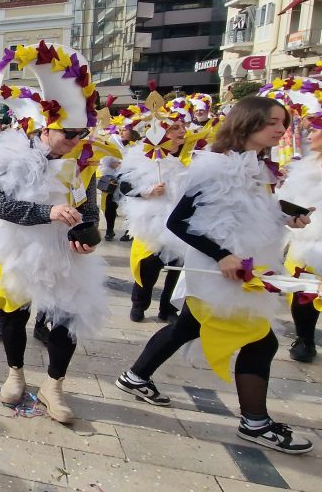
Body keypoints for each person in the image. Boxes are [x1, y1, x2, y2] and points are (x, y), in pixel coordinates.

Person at [116, 96, 314, 455]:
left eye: (282, 122)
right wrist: (222, 255)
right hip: (219, 274)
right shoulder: (215, 168)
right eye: (272, 122)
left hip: (242, 268)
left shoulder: (257, 166)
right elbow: (178, 222)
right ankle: (255, 423)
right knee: (261, 342)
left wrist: (286, 215)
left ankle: (135, 377)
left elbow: (249, 211)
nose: (281, 129)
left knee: (187, 326)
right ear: (247, 123)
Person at [0, 42, 106, 424]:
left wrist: (87, 234)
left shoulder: (84, 163)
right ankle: (15, 374)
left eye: (82, 132)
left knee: (66, 320)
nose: (76, 140)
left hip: (64, 254)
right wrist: (46, 212)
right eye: (68, 133)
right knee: (15, 316)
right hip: (20, 248)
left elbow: (90, 211)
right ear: (47, 128)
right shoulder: (10, 155)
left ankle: (54, 386)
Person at [118, 113, 191, 323]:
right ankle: (139, 305)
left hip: (179, 223)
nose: (181, 132)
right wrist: (148, 191)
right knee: (147, 267)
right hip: (151, 224)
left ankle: (168, 309)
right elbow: (124, 186)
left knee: (176, 268)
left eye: (182, 127)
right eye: (175, 128)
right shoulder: (141, 156)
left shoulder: (191, 156)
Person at [276, 111, 322, 363]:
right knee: (303, 291)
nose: (310, 134)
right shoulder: (304, 164)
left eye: (316, 129)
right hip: (305, 240)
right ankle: (305, 339)